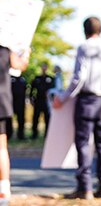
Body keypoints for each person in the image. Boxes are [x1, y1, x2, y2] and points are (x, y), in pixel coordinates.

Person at [52, 16, 101, 200]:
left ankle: (85, 187)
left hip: (87, 100)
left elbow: (79, 76)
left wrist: (64, 98)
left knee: (83, 142)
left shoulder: (84, 47)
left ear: (84, 30)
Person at [0, 47, 28, 205]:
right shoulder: (5, 49)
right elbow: (20, 65)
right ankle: (3, 193)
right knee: (1, 148)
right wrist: (25, 54)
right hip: (1, 101)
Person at [28, 62, 54, 139]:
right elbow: (32, 89)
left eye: (45, 67)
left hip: (47, 101)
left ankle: (47, 134)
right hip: (38, 100)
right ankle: (34, 134)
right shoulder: (37, 78)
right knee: (36, 117)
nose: (44, 68)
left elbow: (53, 90)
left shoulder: (50, 78)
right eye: (42, 67)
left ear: (47, 68)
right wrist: (31, 98)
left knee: (47, 118)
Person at [9, 74, 25, 140]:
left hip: (21, 103)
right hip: (11, 103)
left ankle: (20, 135)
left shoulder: (23, 79)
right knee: (9, 120)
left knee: (21, 119)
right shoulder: (9, 78)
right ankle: (9, 135)